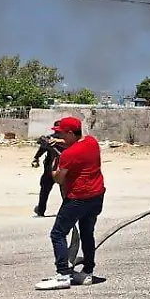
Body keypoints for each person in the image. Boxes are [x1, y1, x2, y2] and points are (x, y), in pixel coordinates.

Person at [36, 117, 107, 290]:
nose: (58, 135)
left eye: (60, 133)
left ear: (69, 133)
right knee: (87, 233)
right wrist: (59, 142)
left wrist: (54, 166)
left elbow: (60, 179)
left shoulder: (68, 155)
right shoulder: (92, 142)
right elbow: (76, 144)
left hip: (77, 198)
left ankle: (62, 275)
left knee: (58, 233)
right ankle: (87, 272)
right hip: (96, 196)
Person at [30, 122, 68, 217]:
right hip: (61, 169)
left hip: (53, 169)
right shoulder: (68, 140)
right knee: (64, 191)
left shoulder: (52, 139)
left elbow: (41, 150)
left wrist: (36, 158)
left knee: (46, 190)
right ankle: (66, 210)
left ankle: (41, 211)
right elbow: (42, 149)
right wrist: (36, 158)